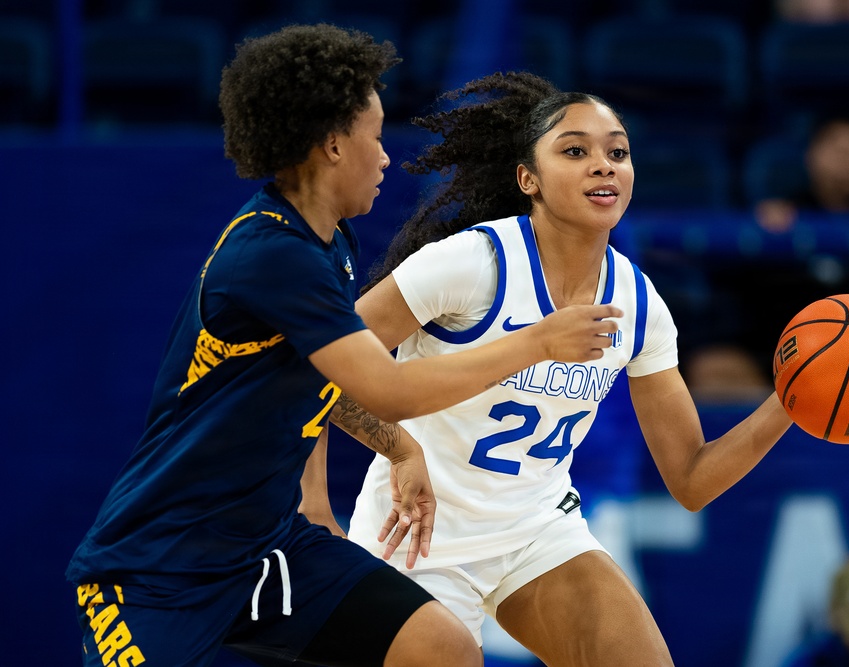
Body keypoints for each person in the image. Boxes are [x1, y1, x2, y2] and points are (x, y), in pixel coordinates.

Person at [65, 27, 622, 667]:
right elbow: (388, 388)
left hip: (269, 548)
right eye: (375, 137)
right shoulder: (271, 254)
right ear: (333, 144)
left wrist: (393, 451)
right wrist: (538, 342)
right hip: (158, 567)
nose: (385, 158)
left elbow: (322, 383)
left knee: (442, 647)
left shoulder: (329, 242)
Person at [301, 71, 795, 666]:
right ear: (527, 179)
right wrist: (328, 497)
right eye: (575, 151)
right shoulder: (472, 263)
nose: (603, 165)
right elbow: (316, 364)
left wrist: (789, 401)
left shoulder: (640, 305)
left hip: (536, 531)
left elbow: (691, 480)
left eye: (617, 153)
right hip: (415, 534)